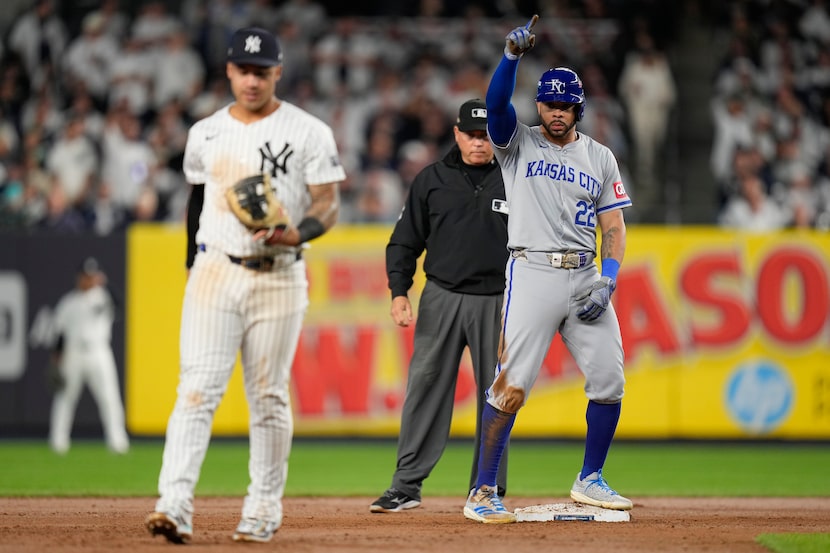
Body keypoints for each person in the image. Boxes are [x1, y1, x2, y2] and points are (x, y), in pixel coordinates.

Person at [145, 27, 345, 544]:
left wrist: (298, 232)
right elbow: (195, 199)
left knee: (269, 397)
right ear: (229, 71)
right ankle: (174, 503)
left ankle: (262, 508)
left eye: (261, 71)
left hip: (279, 276)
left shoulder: (309, 131)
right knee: (195, 389)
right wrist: (193, 260)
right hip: (216, 270)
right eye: (243, 70)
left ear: (278, 72)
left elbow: (328, 203)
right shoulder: (206, 132)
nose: (252, 80)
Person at [463, 16, 634, 524]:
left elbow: (615, 229)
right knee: (511, 384)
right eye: (548, 103)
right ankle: (482, 489)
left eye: (564, 105)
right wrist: (510, 58)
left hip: (586, 275)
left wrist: (609, 279)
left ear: (577, 108)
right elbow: (495, 105)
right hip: (533, 271)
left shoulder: (600, 156)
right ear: (538, 105)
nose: (556, 112)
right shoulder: (518, 144)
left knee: (610, 379)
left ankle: (590, 479)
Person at [370, 99, 510, 513]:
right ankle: (406, 486)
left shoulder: (517, 176)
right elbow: (404, 242)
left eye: (486, 135)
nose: (479, 142)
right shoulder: (431, 179)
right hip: (442, 296)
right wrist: (399, 292)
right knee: (425, 391)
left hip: (501, 301)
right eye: (471, 133)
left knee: (500, 398)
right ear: (456, 133)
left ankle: (488, 489)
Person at [48, 257, 129, 455]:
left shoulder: (103, 296)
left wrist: (106, 284)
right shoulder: (69, 301)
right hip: (73, 353)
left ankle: (117, 442)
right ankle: (58, 441)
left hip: (99, 351)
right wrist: (57, 358)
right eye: (86, 276)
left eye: (92, 276)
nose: (89, 280)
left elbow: (121, 306)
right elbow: (59, 333)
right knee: (65, 397)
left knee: (109, 398)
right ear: (79, 277)